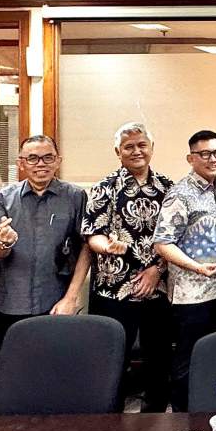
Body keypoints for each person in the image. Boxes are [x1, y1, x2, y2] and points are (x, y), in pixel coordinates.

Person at [81, 122, 174, 411]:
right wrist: (107, 246)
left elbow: (177, 238)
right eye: (129, 146)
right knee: (112, 360)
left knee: (159, 359)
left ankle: (156, 419)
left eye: (142, 145)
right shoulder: (104, 188)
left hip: (158, 287)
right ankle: (111, 422)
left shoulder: (169, 188)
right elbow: (92, 235)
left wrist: (156, 270)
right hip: (114, 289)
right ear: (117, 151)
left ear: (152, 148)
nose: (136, 151)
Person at [153, 130, 216, 412]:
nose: (213, 159)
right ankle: (182, 415)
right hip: (191, 294)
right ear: (191, 158)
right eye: (205, 154)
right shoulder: (180, 194)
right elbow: (162, 243)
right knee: (188, 357)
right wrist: (196, 267)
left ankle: (212, 408)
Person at [0, 135, 91, 343]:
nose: (41, 164)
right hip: (12, 302)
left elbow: (86, 249)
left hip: (57, 300)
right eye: (32, 158)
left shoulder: (76, 196)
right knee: (15, 360)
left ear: (58, 161)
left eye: (48, 157)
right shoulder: (2, 198)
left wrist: (71, 297)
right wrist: (3, 243)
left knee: (56, 359)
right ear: (21, 163)